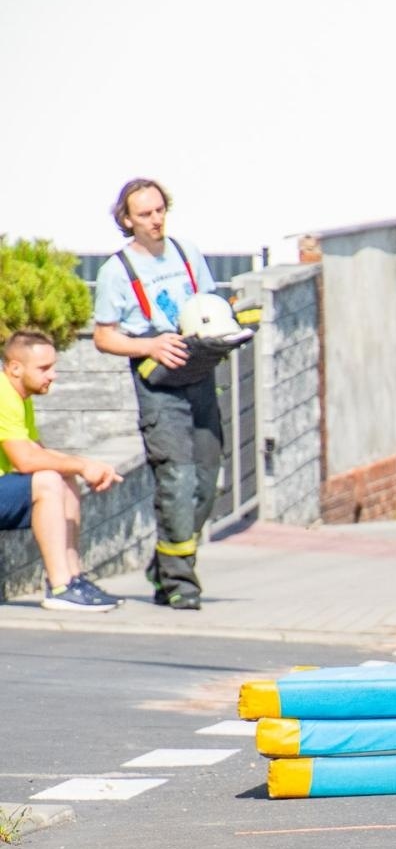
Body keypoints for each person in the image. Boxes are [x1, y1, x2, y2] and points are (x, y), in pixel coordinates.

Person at [92, 178, 223, 612]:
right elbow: (104, 337)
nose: (155, 220)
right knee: (177, 482)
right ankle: (181, 582)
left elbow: (208, 307)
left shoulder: (187, 253)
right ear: (127, 220)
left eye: (159, 210)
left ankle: (163, 566)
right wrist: (149, 345)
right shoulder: (116, 271)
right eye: (145, 214)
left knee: (206, 482)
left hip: (198, 377)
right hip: (159, 388)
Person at [0, 333, 124, 612]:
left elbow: (37, 451)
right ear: (15, 367)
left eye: (53, 367)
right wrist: (82, 466)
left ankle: (73, 577)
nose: (53, 375)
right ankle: (60, 588)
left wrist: (87, 465)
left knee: (63, 476)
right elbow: (25, 461)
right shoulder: (2, 395)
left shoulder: (18, 396)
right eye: (44, 368)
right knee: (47, 481)